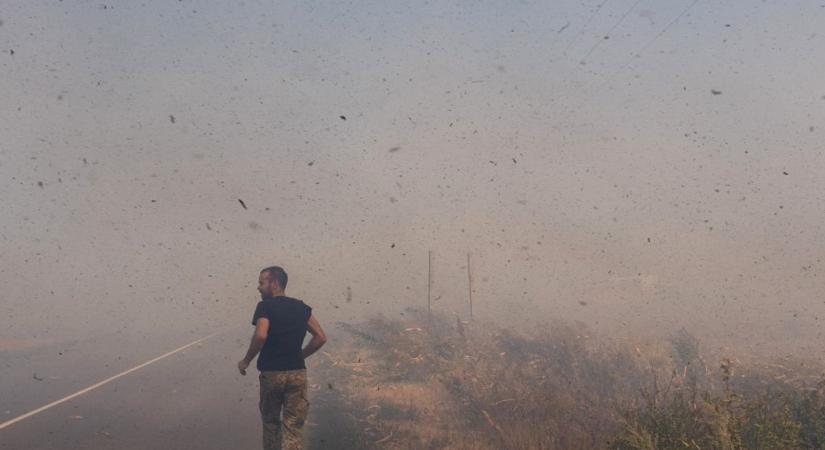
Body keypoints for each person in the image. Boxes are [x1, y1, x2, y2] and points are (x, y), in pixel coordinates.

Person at [238, 266, 327, 450]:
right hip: (297, 374)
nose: (258, 287)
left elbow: (261, 335)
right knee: (293, 426)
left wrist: (246, 360)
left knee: (271, 424)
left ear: (275, 284)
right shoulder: (302, 308)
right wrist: (300, 355)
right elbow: (320, 337)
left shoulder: (265, 307)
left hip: (272, 374)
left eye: (262, 283)